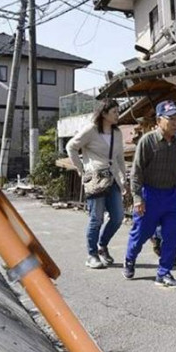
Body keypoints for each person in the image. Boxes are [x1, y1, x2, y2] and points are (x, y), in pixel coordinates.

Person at [124, 100, 176, 289]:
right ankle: (130, 259)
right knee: (140, 234)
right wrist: (137, 198)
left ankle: (164, 272)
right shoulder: (147, 141)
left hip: (171, 196)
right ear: (160, 120)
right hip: (149, 195)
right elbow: (137, 172)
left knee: (172, 236)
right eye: (171, 119)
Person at [67, 99, 127, 270]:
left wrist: (123, 178)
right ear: (104, 113)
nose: (117, 114)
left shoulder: (117, 132)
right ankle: (92, 254)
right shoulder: (91, 130)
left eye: (118, 111)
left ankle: (102, 245)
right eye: (114, 111)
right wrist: (81, 169)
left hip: (113, 178)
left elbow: (120, 157)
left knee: (117, 217)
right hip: (96, 179)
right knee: (97, 218)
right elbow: (70, 147)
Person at [152, 127, 176, 260]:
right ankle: (158, 238)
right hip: (158, 181)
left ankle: (170, 253)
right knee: (160, 215)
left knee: (174, 219)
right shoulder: (154, 136)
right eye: (172, 118)